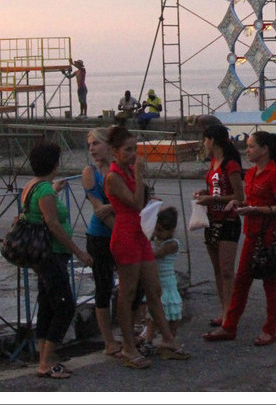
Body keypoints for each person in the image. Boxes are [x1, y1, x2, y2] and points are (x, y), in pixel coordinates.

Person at [104, 124, 190, 368]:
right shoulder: (114, 176)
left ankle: (167, 340)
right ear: (115, 152)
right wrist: (140, 176)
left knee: (154, 289)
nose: (133, 154)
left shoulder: (129, 172)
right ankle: (128, 347)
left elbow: (140, 202)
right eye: (128, 150)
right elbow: (132, 202)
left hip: (140, 233)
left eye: (135, 149)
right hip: (125, 234)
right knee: (128, 292)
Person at [203, 130, 276, 347]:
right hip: (251, 234)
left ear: (264, 150)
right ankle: (229, 326)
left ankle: (270, 330)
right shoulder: (250, 174)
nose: (247, 150)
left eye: (251, 146)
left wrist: (255, 210)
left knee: (271, 284)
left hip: (270, 236)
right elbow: (248, 200)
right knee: (241, 282)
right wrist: (239, 205)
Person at [22, 142, 93, 379]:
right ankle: (45, 362)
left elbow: (38, 209)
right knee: (65, 306)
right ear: (54, 164)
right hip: (52, 254)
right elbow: (53, 225)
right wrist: (78, 252)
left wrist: (54, 189)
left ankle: (46, 358)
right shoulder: (44, 191)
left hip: (41, 256)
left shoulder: (33, 186)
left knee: (47, 306)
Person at [192, 124, 244, 328]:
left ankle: (229, 313)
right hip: (211, 219)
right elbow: (216, 189)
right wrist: (203, 193)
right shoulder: (215, 161)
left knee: (226, 270)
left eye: (205, 140)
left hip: (228, 219)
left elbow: (239, 196)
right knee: (217, 270)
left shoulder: (230, 165)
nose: (204, 144)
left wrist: (212, 200)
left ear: (212, 140)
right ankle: (225, 310)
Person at [81, 127, 121, 357]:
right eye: (89, 145)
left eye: (96, 143)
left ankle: (128, 330)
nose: (92, 149)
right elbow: (99, 210)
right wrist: (121, 231)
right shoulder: (90, 172)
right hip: (100, 237)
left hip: (121, 232)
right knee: (103, 287)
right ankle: (108, 340)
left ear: (107, 145)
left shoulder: (118, 169)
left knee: (129, 285)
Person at [138, 207, 183, 349]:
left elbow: (156, 255)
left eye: (161, 231)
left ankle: (169, 338)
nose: (157, 233)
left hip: (167, 282)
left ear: (171, 230)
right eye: (156, 229)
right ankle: (149, 339)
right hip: (154, 281)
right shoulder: (155, 239)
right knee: (152, 315)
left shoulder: (172, 244)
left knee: (172, 313)